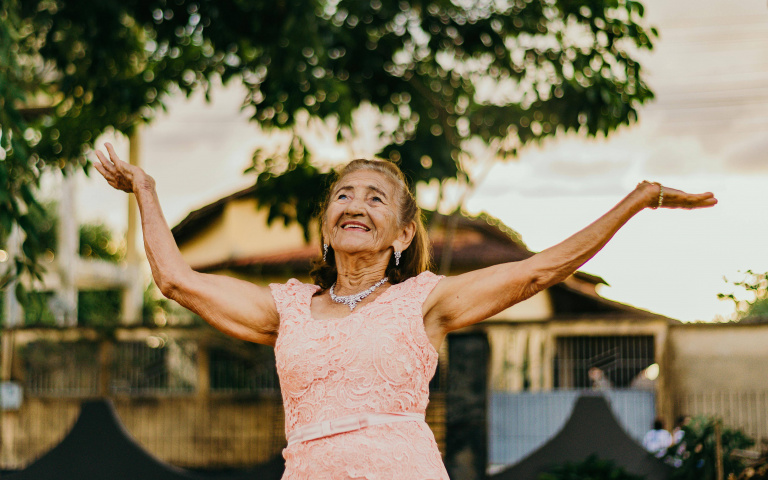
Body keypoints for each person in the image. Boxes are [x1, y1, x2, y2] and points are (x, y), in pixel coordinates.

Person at [94, 143, 717, 479]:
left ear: (400, 234)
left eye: (375, 198)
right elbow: (176, 281)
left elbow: (538, 271)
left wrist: (638, 200)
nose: (355, 204)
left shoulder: (423, 301)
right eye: (343, 195)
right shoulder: (284, 307)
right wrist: (146, 190)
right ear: (326, 223)